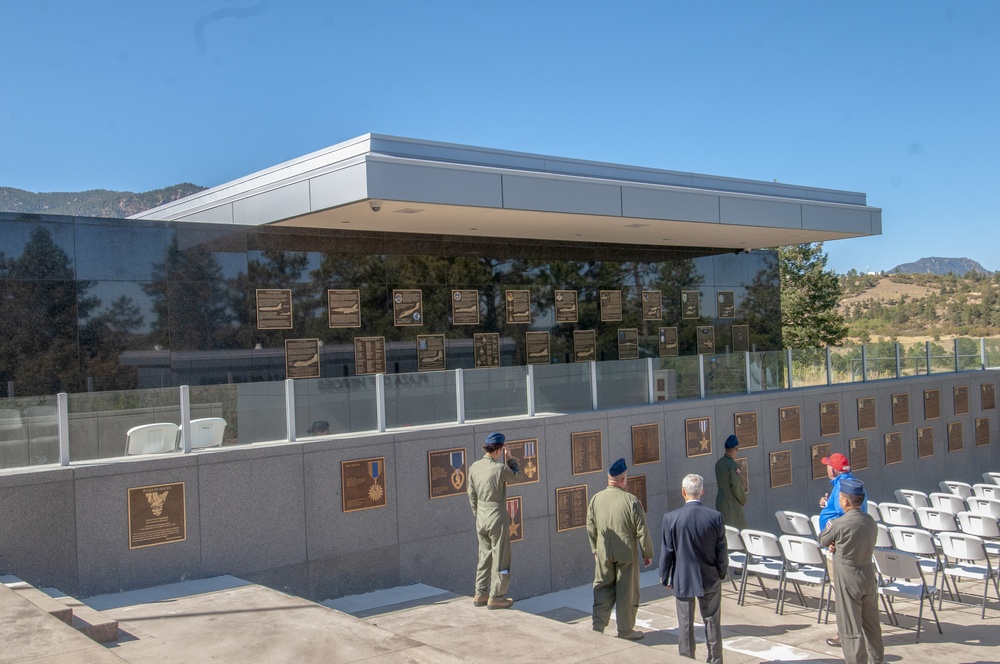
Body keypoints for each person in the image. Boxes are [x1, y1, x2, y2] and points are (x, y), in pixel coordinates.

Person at [659, 474, 728, 664]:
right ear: (702, 492)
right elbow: (721, 550)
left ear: (683, 492)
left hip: (683, 577)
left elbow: (668, 550)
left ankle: (687, 659)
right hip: (709, 575)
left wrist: (665, 576)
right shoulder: (715, 517)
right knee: (712, 621)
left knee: (685, 624)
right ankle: (715, 660)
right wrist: (721, 572)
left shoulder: (671, 518)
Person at [586, 458, 654, 640]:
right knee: (627, 591)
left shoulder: (596, 499)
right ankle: (625, 630)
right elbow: (642, 531)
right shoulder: (631, 501)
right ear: (623, 480)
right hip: (626, 552)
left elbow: (590, 526)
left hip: (603, 551)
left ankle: (598, 626)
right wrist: (647, 554)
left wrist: (595, 549)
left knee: (602, 587)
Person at [819, 478, 884, 664]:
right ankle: (876, 659)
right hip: (867, 573)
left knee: (850, 627)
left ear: (845, 501)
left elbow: (823, 539)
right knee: (872, 624)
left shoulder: (839, 523)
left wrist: (833, 543)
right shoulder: (870, 521)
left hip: (848, 576)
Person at [467, 431, 520, 609]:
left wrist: (478, 514)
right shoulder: (500, 469)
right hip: (496, 515)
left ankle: (480, 593)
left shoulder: (474, 467)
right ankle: (497, 596)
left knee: (484, 556)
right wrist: (511, 459)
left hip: (481, 516)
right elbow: (517, 477)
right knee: (501, 557)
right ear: (499, 449)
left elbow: (471, 495)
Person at [818, 452, 866, 648]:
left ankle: (845, 634)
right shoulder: (847, 484)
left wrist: (832, 538)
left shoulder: (843, 488)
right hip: (845, 544)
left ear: (834, 470)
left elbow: (842, 517)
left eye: (828, 465)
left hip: (839, 547)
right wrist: (825, 503)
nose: (826, 467)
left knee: (843, 594)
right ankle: (851, 632)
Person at [714, 434, 747, 530]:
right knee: (738, 530)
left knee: (725, 530)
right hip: (731, 503)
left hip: (721, 501)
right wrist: (743, 500)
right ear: (736, 449)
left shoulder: (719, 463)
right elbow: (736, 487)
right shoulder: (733, 466)